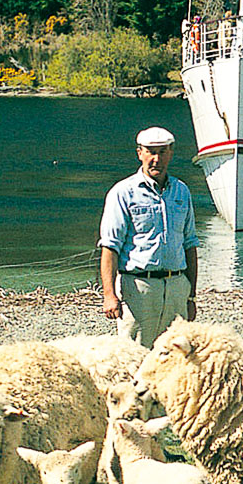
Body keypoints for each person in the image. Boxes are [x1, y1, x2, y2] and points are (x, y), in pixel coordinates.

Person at [99, 127, 199, 347]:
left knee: (176, 357)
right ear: (139, 153)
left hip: (176, 286)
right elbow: (110, 247)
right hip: (139, 288)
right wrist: (109, 295)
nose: (156, 159)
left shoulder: (181, 191)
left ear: (171, 153)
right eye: (150, 152)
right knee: (134, 356)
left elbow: (190, 244)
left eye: (162, 152)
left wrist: (190, 295)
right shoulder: (123, 192)